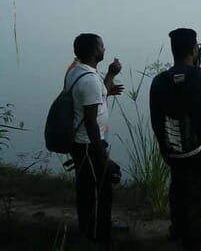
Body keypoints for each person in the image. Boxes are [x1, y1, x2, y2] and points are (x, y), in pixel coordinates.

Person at [149, 28, 201, 251]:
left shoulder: (159, 82)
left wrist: (164, 149)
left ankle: (189, 241)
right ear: (194, 48)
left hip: (178, 153)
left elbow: (156, 121)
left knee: (188, 204)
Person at [66, 33, 124, 248]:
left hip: (86, 144)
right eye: (101, 46)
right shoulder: (89, 80)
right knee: (100, 190)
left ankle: (93, 228)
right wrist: (100, 154)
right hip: (89, 145)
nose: (104, 49)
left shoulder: (78, 71)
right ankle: (98, 236)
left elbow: (95, 99)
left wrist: (110, 74)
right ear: (93, 51)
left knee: (88, 188)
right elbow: (90, 121)